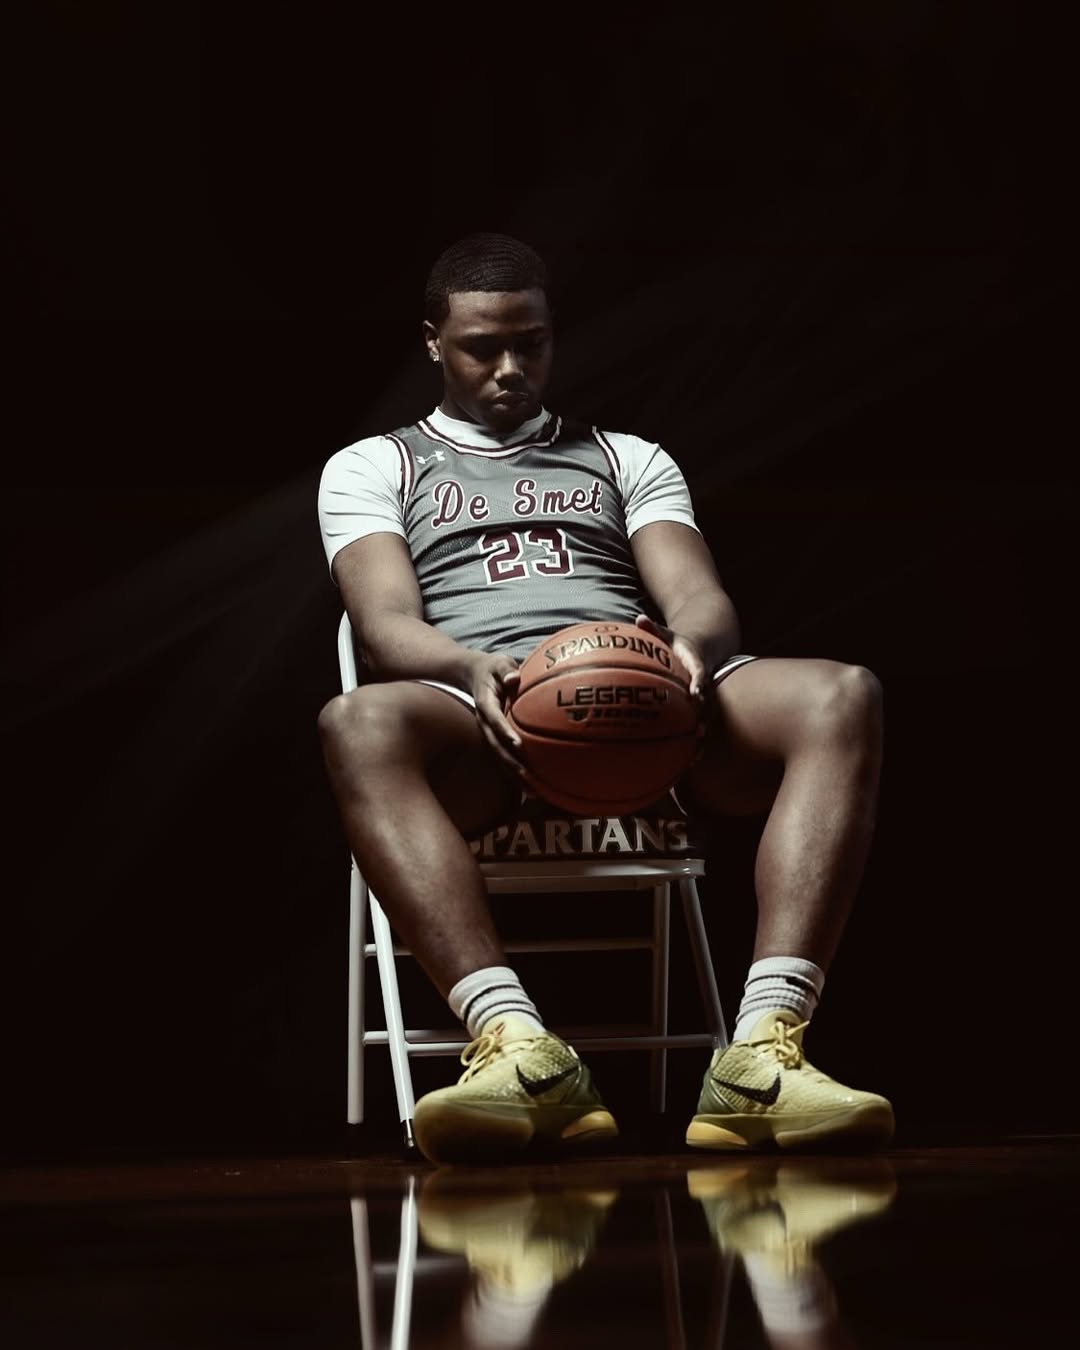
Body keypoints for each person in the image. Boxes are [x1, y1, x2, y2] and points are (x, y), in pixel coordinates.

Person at [317, 232, 894, 1165]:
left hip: (640, 711)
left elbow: (699, 597)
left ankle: (761, 1056)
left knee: (841, 694)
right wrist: (469, 668)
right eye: (481, 348)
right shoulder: (376, 465)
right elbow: (383, 625)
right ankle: (521, 1052)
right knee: (355, 720)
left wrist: (685, 655)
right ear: (433, 342)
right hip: (483, 713)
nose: (511, 369)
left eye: (532, 344)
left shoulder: (626, 458)